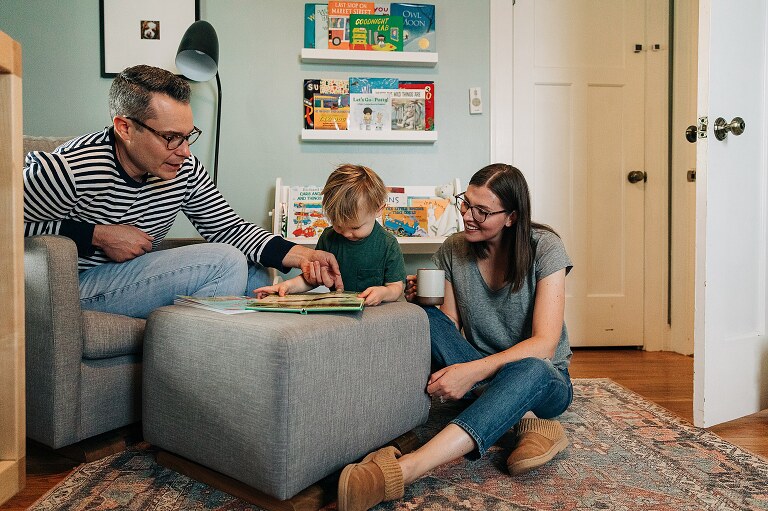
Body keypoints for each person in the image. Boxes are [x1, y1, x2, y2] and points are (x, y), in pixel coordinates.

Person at [336, 163, 573, 511]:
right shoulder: (454, 249)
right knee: (424, 317)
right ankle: (523, 421)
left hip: (543, 380)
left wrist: (473, 372)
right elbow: (446, 324)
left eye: (483, 211)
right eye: (466, 203)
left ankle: (404, 470)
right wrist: (421, 300)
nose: (468, 216)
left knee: (532, 367)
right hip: (478, 372)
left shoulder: (546, 248)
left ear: (511, 217)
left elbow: (545, 344)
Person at [22, 64, 342, 319]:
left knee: (253, 273)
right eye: (172, 137)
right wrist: (97, 235)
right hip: (72, 289)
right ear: (125, 128)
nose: (185, 151)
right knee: (226, 263)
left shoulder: (182, 168)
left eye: (189, 136)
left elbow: (228, 228)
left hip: (132, 275)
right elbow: (8, 226)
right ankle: (185, 367)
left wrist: (304, 254)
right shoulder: (69, 168)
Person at [256, 164, 405, 306]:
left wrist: (383, 293)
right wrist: (286, 286)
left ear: (379, 210)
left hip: (376, 312)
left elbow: (396, 288)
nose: (346, 233)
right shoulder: (329, 237)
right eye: (338, 225)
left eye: (355, 227)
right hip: (338, 312)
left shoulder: (388, 244)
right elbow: (311, 279)